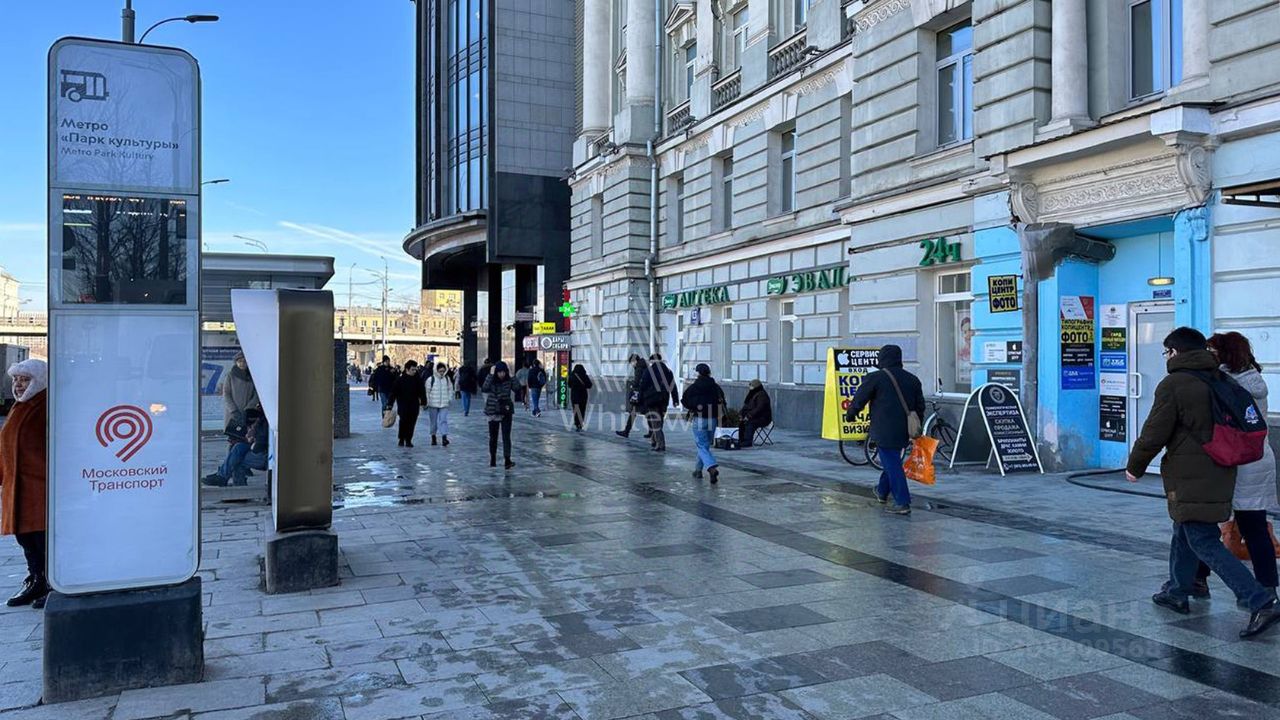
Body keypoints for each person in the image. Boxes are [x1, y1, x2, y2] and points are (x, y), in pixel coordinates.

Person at [1128, 327, 1279, 639]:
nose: (1166, 357)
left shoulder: (1176, 383)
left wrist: (1135, 466)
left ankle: (1260, 600)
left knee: (1202, 538)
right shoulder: (1220, 378)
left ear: (1175, 352)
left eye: (1167, 352)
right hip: (1221, 468)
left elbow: (1155, 431)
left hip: (1193, 472)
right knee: (1183, 528)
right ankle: (1177, 590)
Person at [1180, 332, 1280, 599]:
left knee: (1204, 523)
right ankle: (1268, 586)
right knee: (1255, 528)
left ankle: (1199, 579)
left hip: (1232, 460)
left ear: (1224, 354)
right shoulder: (1254, 380)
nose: (1207, 355)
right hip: (1259, 457)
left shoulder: (1223, 383)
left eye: (1212, 351)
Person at [846, 344, 925, 516]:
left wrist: (851, 415)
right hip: (905, 429)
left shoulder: (875, 377)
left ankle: (902, 502)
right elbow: (920, 406)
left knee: (893, 463)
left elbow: (860, 399)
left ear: (882, 359)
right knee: (892, 460)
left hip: (884, 429)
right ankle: (882, 491)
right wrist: (917, 428)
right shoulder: (912, 379)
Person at [0, 360, 48, 609]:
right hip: (17, 486)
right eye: (16, 380)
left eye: (25, 379)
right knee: (25, 537)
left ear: (40, 381)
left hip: (39, 487)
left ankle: (49, 582)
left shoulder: (46, 406)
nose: (18, 385)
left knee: (41, 538)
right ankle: (35, 579)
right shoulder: (20, 406)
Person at [682, 363, 726, 483]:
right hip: (713, 418)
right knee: (705, 446)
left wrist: (694, 407)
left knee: (701, 445)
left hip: (700, 418)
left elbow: (684, 400)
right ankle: (698, 471)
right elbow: (722, 400)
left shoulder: (694, 387)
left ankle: (711, 468)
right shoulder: (715, 386)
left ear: (698, 373)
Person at [204, 409, 269, 487]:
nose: (249, 427)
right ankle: (225, 477)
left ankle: (224, 477)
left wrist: (253, 436)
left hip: (265, 458)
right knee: (238, 448)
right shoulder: (261, 424)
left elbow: (258, 448)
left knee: (236, 459)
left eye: (249, 425)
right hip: (262, 454)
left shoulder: (262, 426)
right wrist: (248, 439)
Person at [638, 353, 679, 452]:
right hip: (664, 400)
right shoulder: (668, 371)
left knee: (655, 422)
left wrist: (640, 398)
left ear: (652, 360)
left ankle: (660, 444)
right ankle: (654, 440)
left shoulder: (649, 370)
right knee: (659, 421)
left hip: (652, 399)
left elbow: (643, 385)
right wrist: (675, 400)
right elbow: (673, 386)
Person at [483, 361, 516, 469]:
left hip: (506, 410)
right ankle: (493, 458)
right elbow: (485, 388)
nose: (502, 374)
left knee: (506, 436)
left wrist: (512, 375)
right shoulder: (491, 379)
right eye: (499, 372)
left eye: (504, 372)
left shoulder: (508, 380)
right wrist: (490, 375)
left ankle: (507, 459)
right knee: (493, 437)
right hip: (493, 410)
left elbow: (517, 387)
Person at [390, 360, 427, 447]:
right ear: (407, 369)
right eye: (412, 370)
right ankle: (401, 438)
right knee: (403, 421)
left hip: (414, 405)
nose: (414, 371)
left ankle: (408, 440)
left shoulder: (417, 380)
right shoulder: (400, 380)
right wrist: (390, 404)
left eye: (415, 369)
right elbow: (393, 392)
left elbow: (422, 391)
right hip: (403, 404)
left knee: (412, 423)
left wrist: (424, 401)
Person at [222, 352, 260, 426]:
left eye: (244, 361)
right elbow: (226, 394)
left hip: (248, 413)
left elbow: (257, 394)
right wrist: (233, 411)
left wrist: (248, 409)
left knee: (248, 432)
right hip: (233, 413)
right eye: (239, 361)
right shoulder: (230, 376)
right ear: (236, 362)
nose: (242, 363)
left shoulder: (253, 376)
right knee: (232, 431)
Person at [616, 354, 648, 439]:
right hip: (645, 393)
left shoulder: (639, 368)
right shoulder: (644, 366)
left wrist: (632, 384)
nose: (631, 364)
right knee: (646, 412)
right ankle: (652, 432)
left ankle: (626, 431)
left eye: (631, 362)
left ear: (635, 361)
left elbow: (637, 381)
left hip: (639, 394)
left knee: (634, 412)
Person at [425, 362, 454, 447]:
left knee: (443, 420)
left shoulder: (447, 379)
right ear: (436, 370)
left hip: (444, 404)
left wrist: (449, 399)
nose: (442, 373)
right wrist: (427, 402)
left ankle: (444, 437)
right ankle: (433, 437)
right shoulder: (430, 379)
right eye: (440, 371)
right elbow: (427, 391)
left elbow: (450, 389)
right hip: (433, 404)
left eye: (443, 371)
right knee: (433, 422)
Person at [739, 379, 773, 448]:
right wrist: (741, 414)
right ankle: (741, 440)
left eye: (751, 386)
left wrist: (748, 416)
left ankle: (747, 441)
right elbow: (746, 406)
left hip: (763, 418)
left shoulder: (762, 395)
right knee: (741, 422)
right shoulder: (752, 394)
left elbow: (759, 408)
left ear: (756, 386)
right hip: (755, 416)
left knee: (750, 423)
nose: (750, 387)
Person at [568, 364, 593, 431]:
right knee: (582, 409)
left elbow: (569, 385)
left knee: (576, 409)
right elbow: (589, 385)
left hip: (574, 395)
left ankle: (577, 423)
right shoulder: (584, 376)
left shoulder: (572, 376)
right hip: (583, 395)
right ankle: (581, 423)